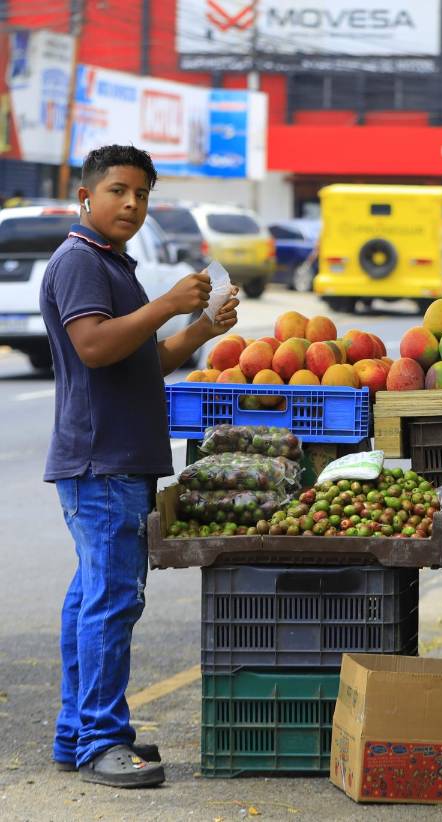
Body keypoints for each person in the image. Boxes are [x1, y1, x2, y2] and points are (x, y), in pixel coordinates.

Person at [40, 145, 239, 788]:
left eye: (143, 194)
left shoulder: (111, 265)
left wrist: (201, 326)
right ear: (87, 197)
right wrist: (168, 303)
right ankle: (102, 738)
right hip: (102, 463)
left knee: (92, 599)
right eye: (120, 190)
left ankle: (80, 734)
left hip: (116, 461)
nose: (133, 204)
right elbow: (94, 347)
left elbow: (143, 362)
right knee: (111, 601)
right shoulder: (80, 262)